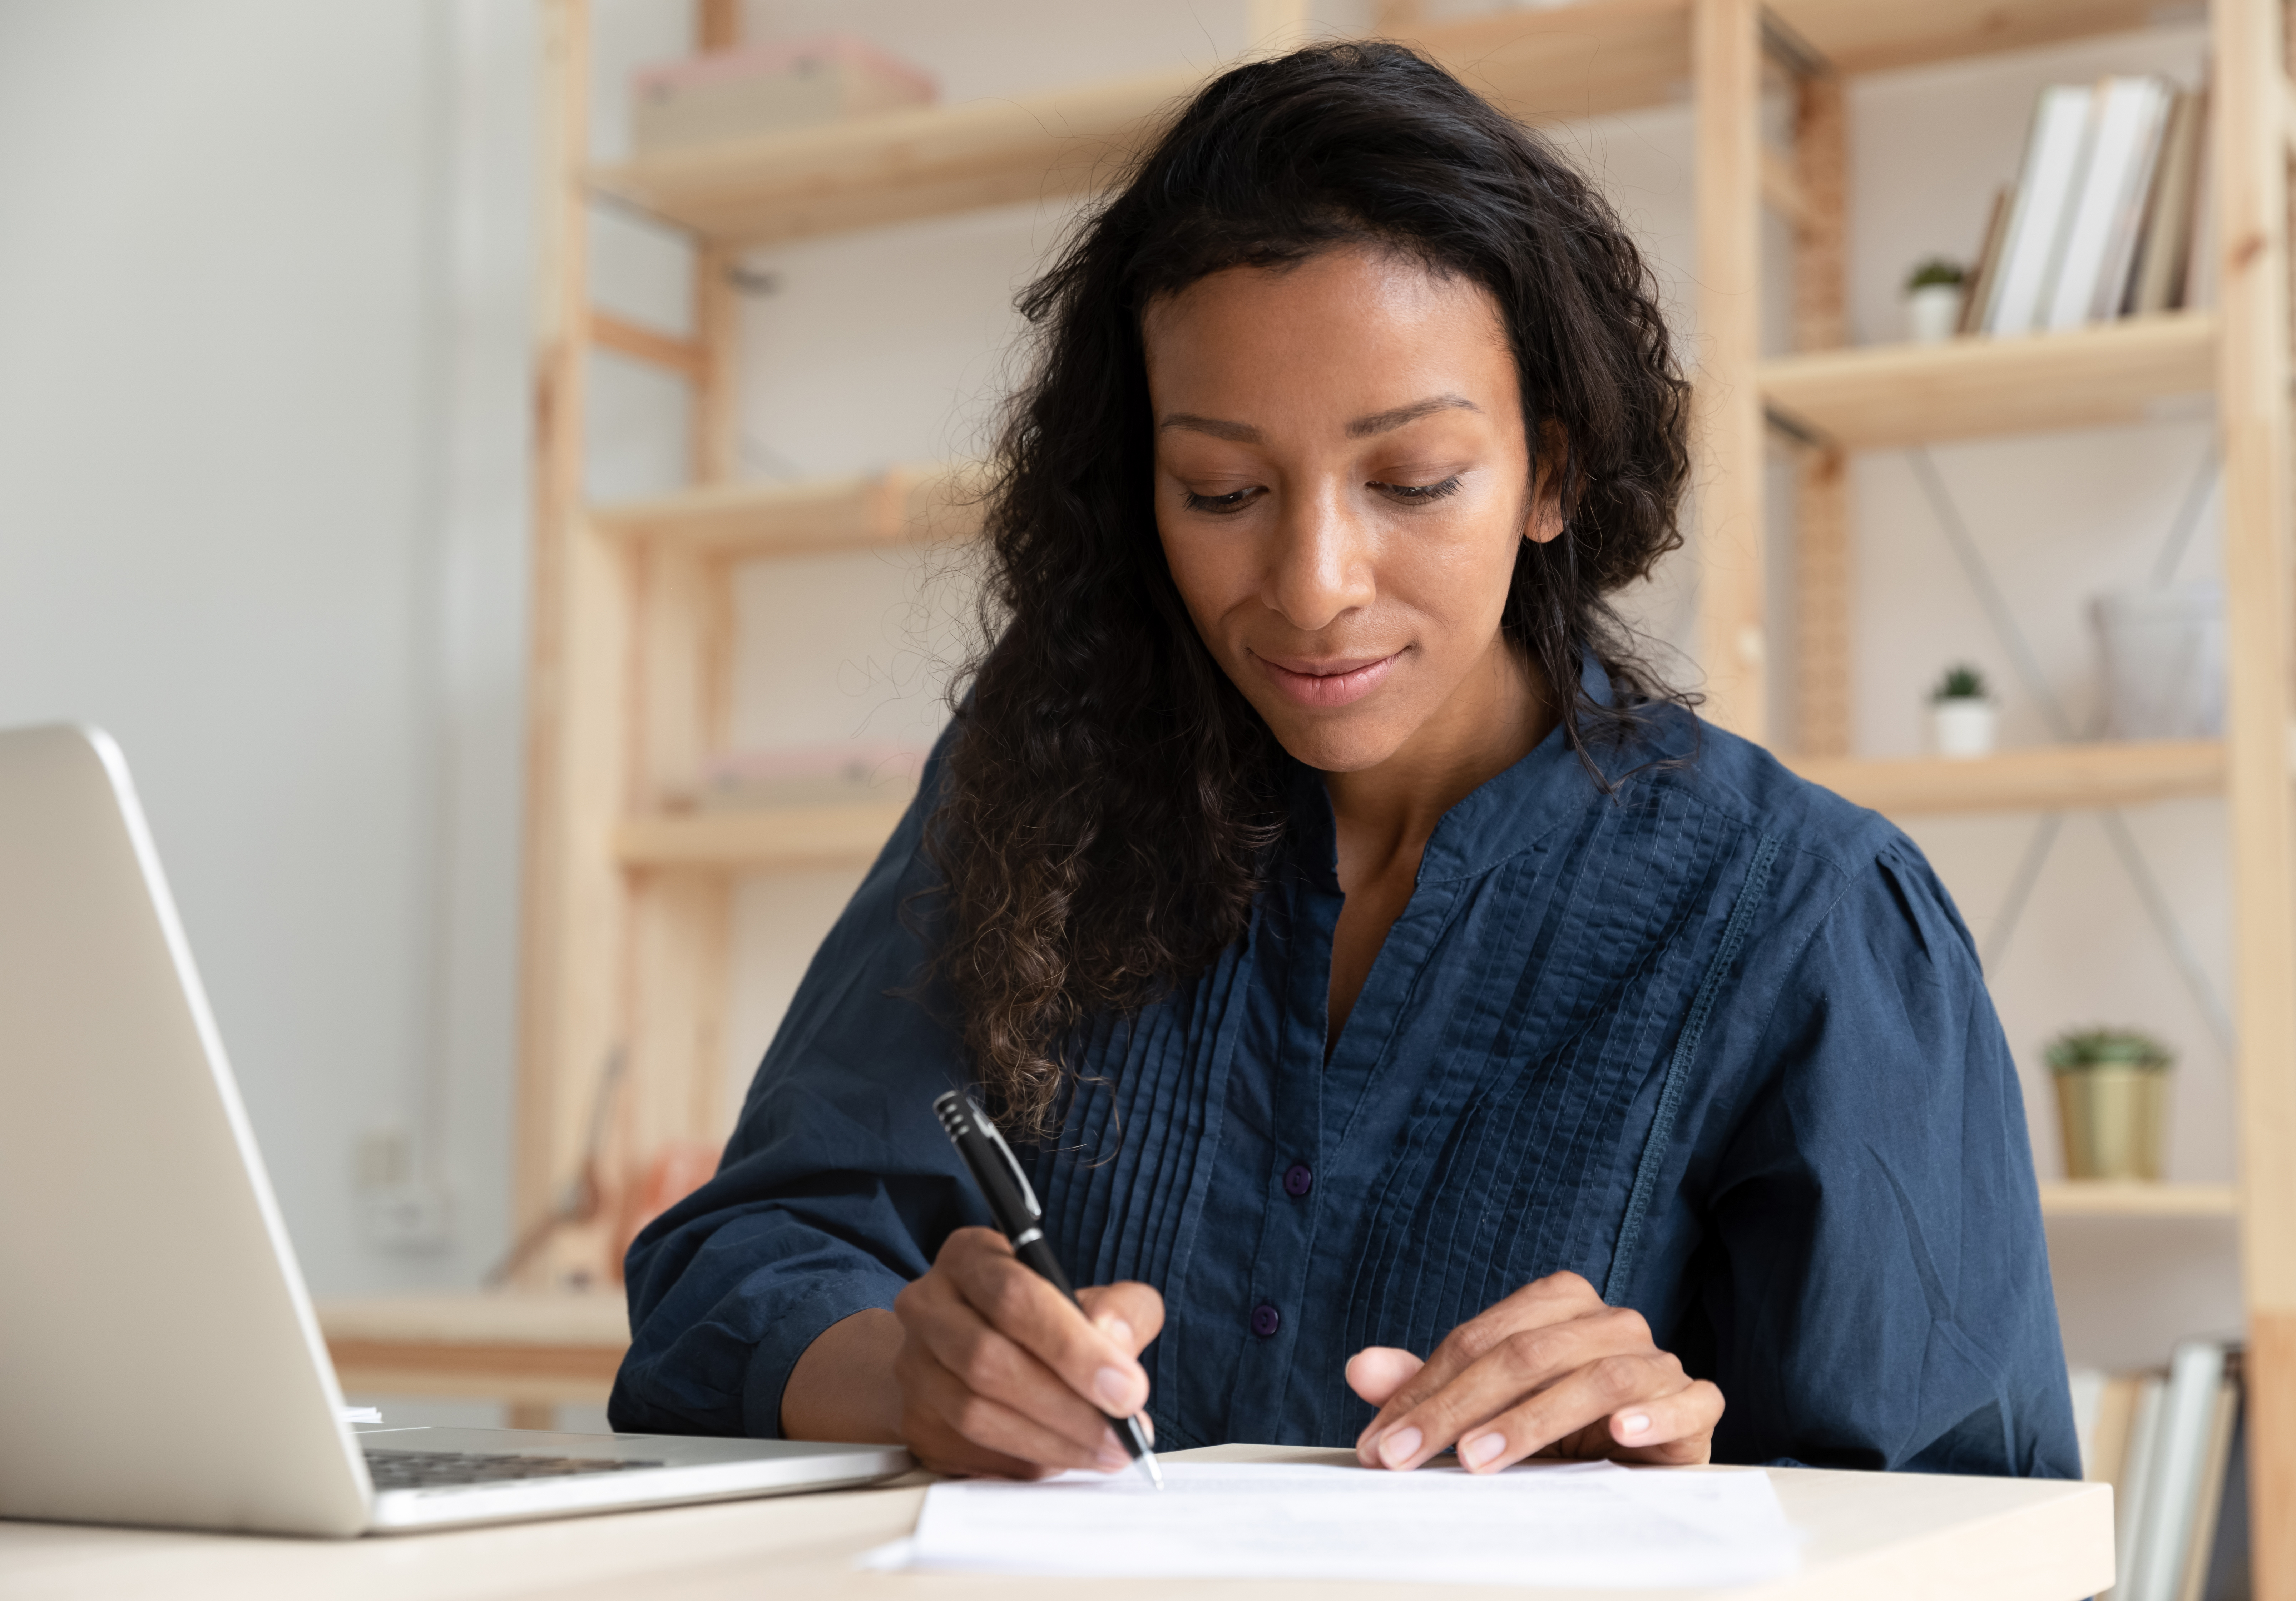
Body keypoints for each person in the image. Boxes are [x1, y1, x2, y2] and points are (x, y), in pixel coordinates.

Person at [609, 40, 2078, 1482]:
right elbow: (737, 1273)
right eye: (1223, 488)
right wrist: (913, 1373)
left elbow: (1967, 1538)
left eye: (1414, 481)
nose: (1313, 583)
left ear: (1550, 473)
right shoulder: (1039, 796)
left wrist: (1674, 1482)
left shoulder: (1810, 918)